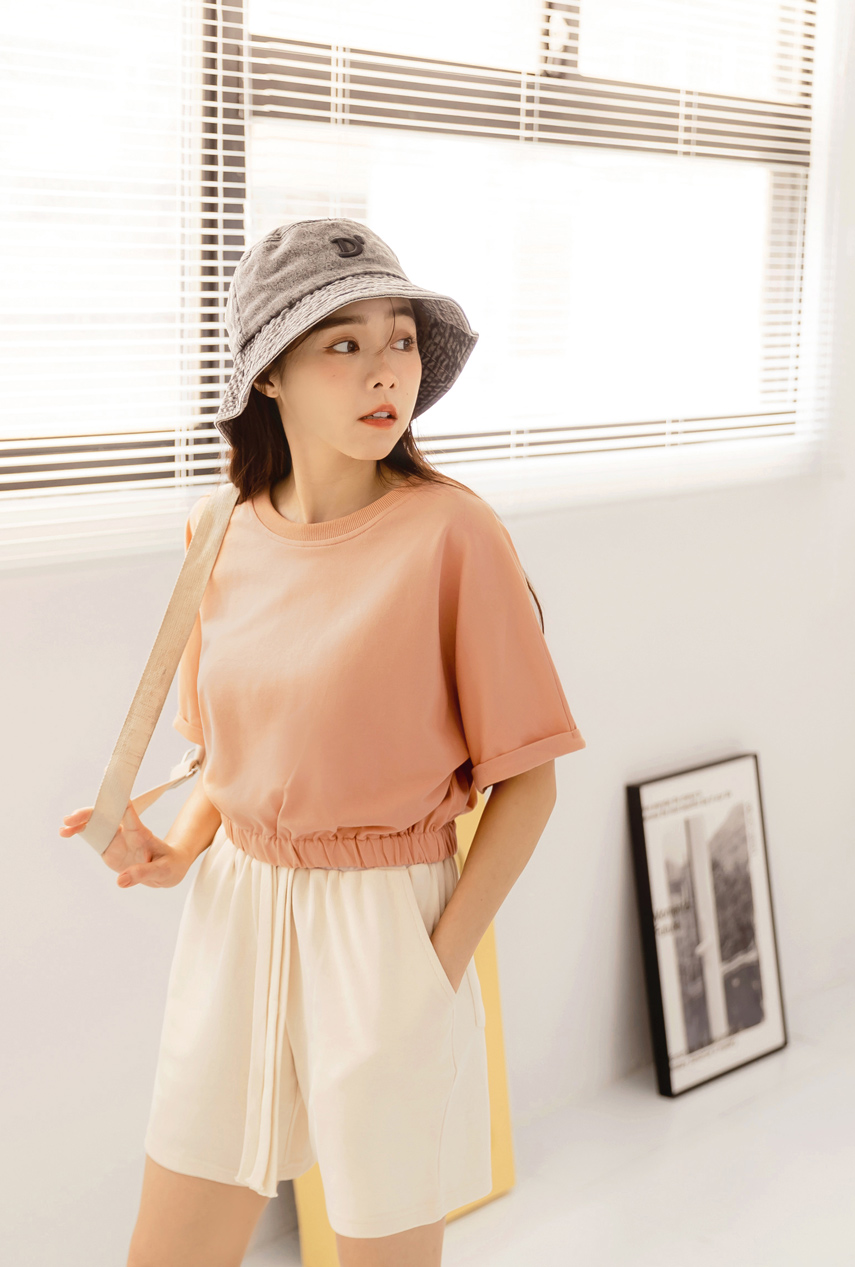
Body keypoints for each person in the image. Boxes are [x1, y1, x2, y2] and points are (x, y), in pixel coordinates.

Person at [60, 218, 586, 1267]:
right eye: (343, 342)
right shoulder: (217, 528)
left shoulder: (452, 534)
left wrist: (431, 970)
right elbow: (227, 759)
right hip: (234, 915)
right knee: (170, 1249)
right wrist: (179, 850)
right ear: (268, 374)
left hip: (385, 927)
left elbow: (528, 785)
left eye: (401, 339)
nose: (386, 369)